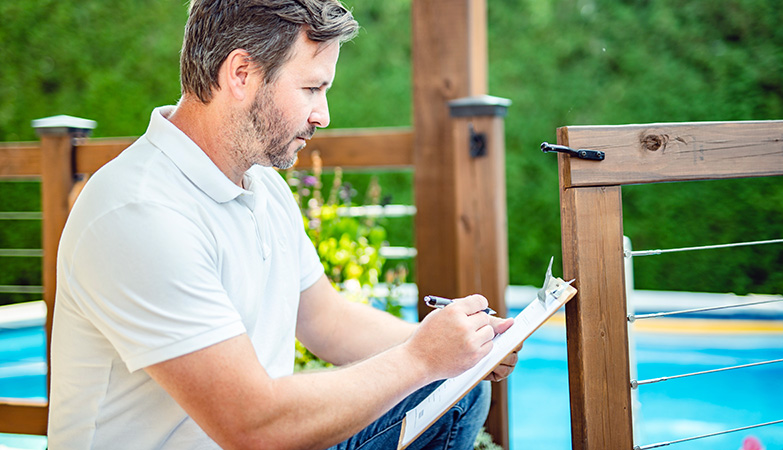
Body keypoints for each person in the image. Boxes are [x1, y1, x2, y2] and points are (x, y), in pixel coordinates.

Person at [48, 1, 519, 449]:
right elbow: (252, 426)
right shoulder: (138, 213)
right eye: (312, 89)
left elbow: (325, 319)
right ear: (241, 73)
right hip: (254, 436)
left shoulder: (261, 184)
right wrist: (420, 359)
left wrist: (458, 345)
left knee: (460, 388)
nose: (324, 115)